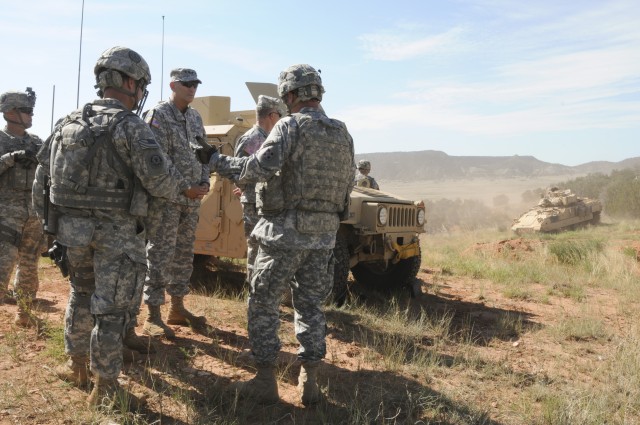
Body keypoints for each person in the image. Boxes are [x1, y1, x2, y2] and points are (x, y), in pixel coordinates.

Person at [42, 46, 207, 407]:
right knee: (112, 310)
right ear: (129, 81)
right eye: (140, 83)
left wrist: (52, 228)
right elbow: (161, 179)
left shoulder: (68, 121)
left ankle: (77, 366)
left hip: (73, 232)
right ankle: (105, 387)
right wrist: (185, 191)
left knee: (81, 294)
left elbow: (44, 177)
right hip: (117, 235)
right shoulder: (130, 126)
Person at [198, 64, 354, 405]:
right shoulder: (342, 132)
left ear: (293, 95)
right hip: (323, 237)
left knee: (263, 304)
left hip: (282, 235)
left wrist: (215, 161)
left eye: (286, 97)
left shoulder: (289, 126)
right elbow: (347, 188)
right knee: (311, 306)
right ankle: (309, 382)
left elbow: (256, 169)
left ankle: (266, 381)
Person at [139, 68, 210, 339]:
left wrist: (204, 182)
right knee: (160, 254)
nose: (192, 88)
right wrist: (184, 187)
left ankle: (178, 309)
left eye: (195, 84)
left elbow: (204, 152)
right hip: (168, 199)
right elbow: (157, 159)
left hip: (191, 202)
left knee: (183, 255)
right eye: (187, 84)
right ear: (173, 85)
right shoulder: (158, 115)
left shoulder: (195, 117)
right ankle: (153, 314)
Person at [0, 88, 44, 327]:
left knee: (29, 265)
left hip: (33, 214)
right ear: (9, 112)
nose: (30, 116)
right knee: (2, 264)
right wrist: (12, 158)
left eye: (31, 111)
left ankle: (24, 313)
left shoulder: (36, 142)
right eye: (26, 111)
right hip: (5, 214)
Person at [233, 95, 287, 287]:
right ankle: (254, 293)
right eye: (280, 115)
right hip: (254, 203)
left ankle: (265, 292)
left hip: (269, 202)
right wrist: (245, 189)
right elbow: (238, 171)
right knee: (256, 248)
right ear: (272, 115)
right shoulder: (252, 139)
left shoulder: (271, 139)